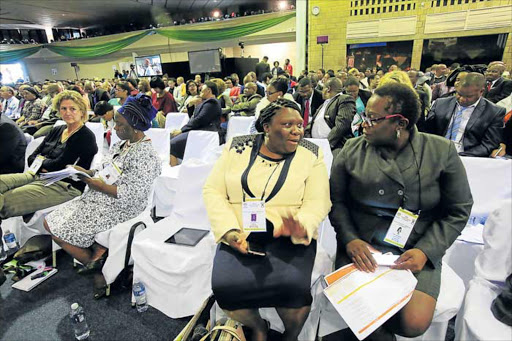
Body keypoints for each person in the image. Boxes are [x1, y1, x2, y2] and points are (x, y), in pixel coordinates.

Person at [330, 83, 473, 340]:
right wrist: (351, 240)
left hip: (416, 245)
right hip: (363, 245)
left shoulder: (441, 151)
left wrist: (426, 251)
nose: (364, 123)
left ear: (400, 123)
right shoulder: (351, 150)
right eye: (364, 116)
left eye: (373, 118)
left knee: (414, 323)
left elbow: (458, 210)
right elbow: (336, 202)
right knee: (366, 310)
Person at [203, 98, 331, 341]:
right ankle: (259, 327)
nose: (297, 131)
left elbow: (319, 201)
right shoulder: (237, 146)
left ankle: (290, 335)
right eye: (287, 124)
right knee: (225, 289)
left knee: (294, 288)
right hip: (240, 232)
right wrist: (229, 233)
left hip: (289, 233)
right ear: (266, 127)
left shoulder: (310, 153)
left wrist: (301, 225)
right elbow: (213, 190)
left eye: (300, 124)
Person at [44, 93, 161, 299]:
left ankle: (96, 266)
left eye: (119, 124)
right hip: (99, 197)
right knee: (50, 222)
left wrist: (95, 185)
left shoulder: (146, 154)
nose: (114, 128)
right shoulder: (121, 145)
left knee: (56, 229)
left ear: (135, 126)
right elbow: (103, 170)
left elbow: (130, 195)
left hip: (121, 206)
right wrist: (85, 172)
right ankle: (96, 260)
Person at [0, 90, 98, 221]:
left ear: (82, 111)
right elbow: (31, 157)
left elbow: (60, 165)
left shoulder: (85, 136)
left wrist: (42, 161)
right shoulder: (57, 129)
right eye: (63, 108)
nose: (67, 112)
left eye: (73, 109)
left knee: (5, 202)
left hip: (64, 185)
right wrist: (45, 164)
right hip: (37, 175)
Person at [426, 72, 506, 157]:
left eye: (468, 96)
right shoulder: (441, 103)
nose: (462, 99)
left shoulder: (494, 112)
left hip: (468, 157)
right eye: (459, 94)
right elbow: (427, 133)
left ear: (481, 91)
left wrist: (459, 156)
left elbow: (489, 145)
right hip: (436, 153)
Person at [170, 81, 221, 166]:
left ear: (208, 90)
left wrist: (182, 130)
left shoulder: (212, 102)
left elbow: (200, 120)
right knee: (171, 139)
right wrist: (191, 105)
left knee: (173, 143)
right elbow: (193, 118)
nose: (200, 91)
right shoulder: (204, 102)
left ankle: (174, 171)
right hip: (197, 131)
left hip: (205, 133)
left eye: (202, 90)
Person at [305, 78, 356, 156]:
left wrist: (326, 145)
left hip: (335, 147)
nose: (322, 92)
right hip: (317, 146)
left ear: (328, 89)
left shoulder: (344, 99)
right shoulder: (324, 104)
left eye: (323, 89)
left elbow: (342, 125)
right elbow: (312, 123)